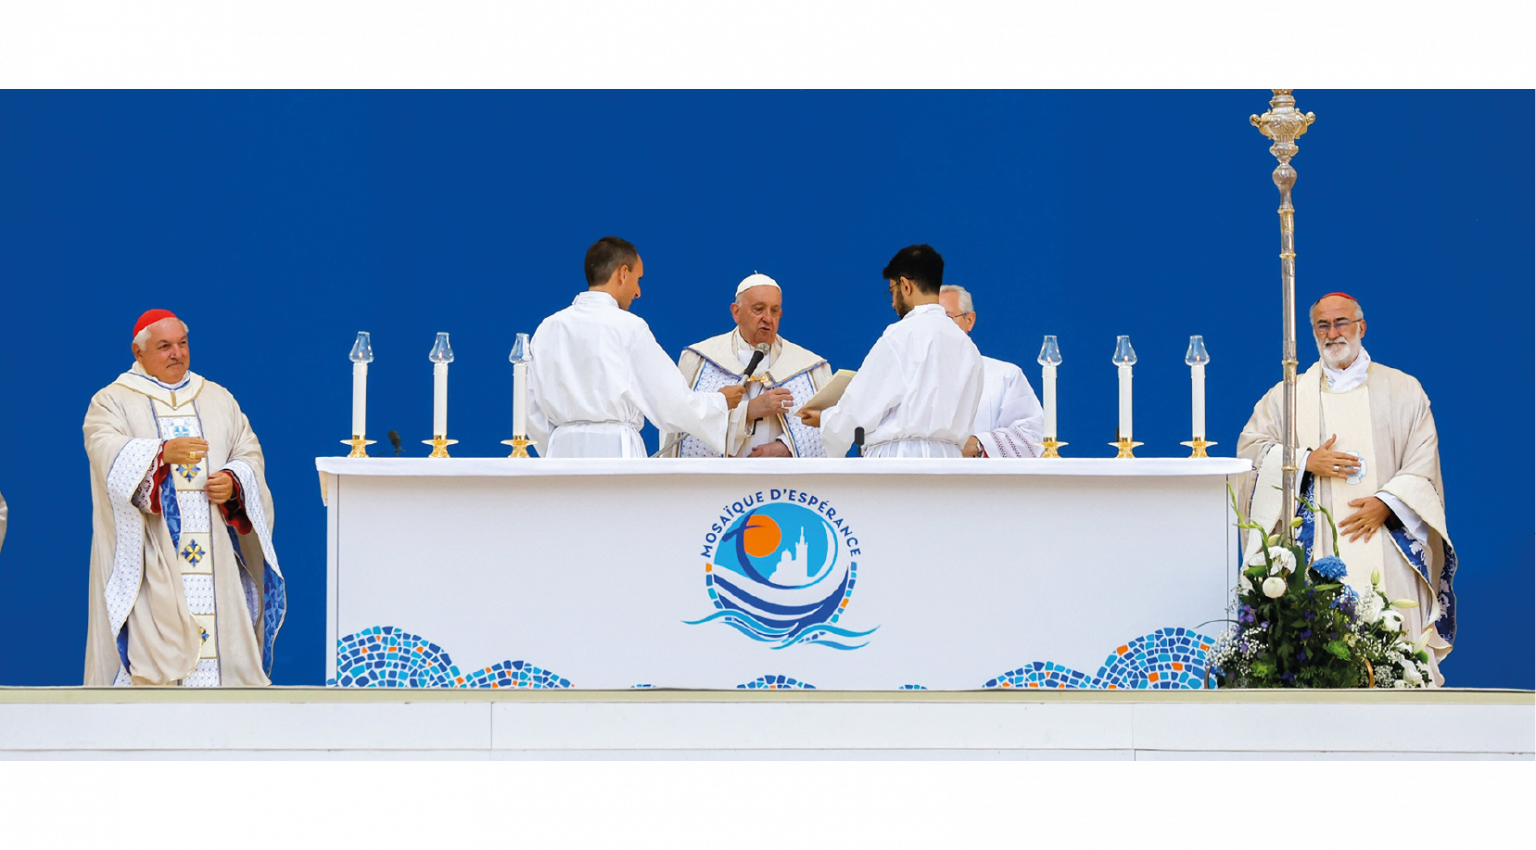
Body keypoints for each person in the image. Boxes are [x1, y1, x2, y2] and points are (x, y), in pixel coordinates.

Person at [1237, 292, 1456, 684]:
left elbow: (1423, 461)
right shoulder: (1288, 396)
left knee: (1398, 656)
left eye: (1341, 322)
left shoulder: (1403, 391)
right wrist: (1304, 461)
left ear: (1361, 327)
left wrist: (1387, 504)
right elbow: (1251, 450)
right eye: (1322, 325)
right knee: (1319, 664)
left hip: (1386, 543)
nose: (1332, 332)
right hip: (1316, 547)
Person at [83, 310, 285, 687]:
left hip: (216, 557)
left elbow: (248, 452)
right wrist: (160, 454)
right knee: (150, 671)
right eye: (165, 346)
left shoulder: (217, 398)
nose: (177, 353)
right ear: (138, 352)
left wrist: (234, 482)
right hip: (151, 557)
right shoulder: (112, 401)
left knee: (223, 658)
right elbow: (103, 450)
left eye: (182, 343)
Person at [528, 237, 744, 457]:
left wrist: (557, 447)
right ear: (623, 273)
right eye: (638, 279)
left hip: (562, 454)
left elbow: (530, 411)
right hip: (616, 451)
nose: (638, 291)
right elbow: (671, 402)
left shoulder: (548, 328)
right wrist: (719, 402)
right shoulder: (628, 327)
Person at [801, 245, 983, 458]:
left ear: (905, 285)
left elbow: (862, 405)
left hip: (899, 459)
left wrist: (826, 419)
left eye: (892, 292)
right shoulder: (968, 347)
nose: (894, 303)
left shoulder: (902, 334)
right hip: (950, 461)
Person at [660, 273, 833, 457]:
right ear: (736, 312)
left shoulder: (809, 367)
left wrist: (786, 447)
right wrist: (749, 411)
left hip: (783, 475)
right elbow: (684, 427)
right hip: (723, 475)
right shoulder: (700, 360)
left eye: (774, 311)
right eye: (759, 309)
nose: (768, 318)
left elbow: (826, 430)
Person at [939, 284, 1045, 458]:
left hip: (983, 475)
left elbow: (1031, 436)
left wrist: (979, 444)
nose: (938, 327)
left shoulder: (1004, 376)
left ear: (969, 320)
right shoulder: (910, 377)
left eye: (948, 318)